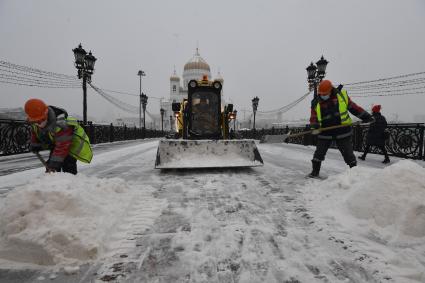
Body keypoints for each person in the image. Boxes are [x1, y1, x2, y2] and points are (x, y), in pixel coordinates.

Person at [309, 80, 374, 178]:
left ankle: (355, 173)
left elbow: (354, 108)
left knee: (348, 153)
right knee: (319, 153)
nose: (323, 95)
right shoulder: (316, 102)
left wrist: (366, 116)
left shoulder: (341, 97)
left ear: (330, 90)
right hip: (325, 132)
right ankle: (315, 172)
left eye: (325, 94)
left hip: (342, 130)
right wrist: (314, 126)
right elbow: (313, 116)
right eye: (321, 94)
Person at [24, 98, 93, 174]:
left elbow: (62, 147)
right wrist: (35, 144)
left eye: (41, 120)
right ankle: (52, 182)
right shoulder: (35, 123)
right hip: (56, 144)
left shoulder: (62, 125)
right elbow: (35, 131)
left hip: (70, 145)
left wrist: (53, 166)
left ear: (46, 114)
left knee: (68, 167)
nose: (39, 124)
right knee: (51, 165)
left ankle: (70, 183)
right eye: (35, 121)